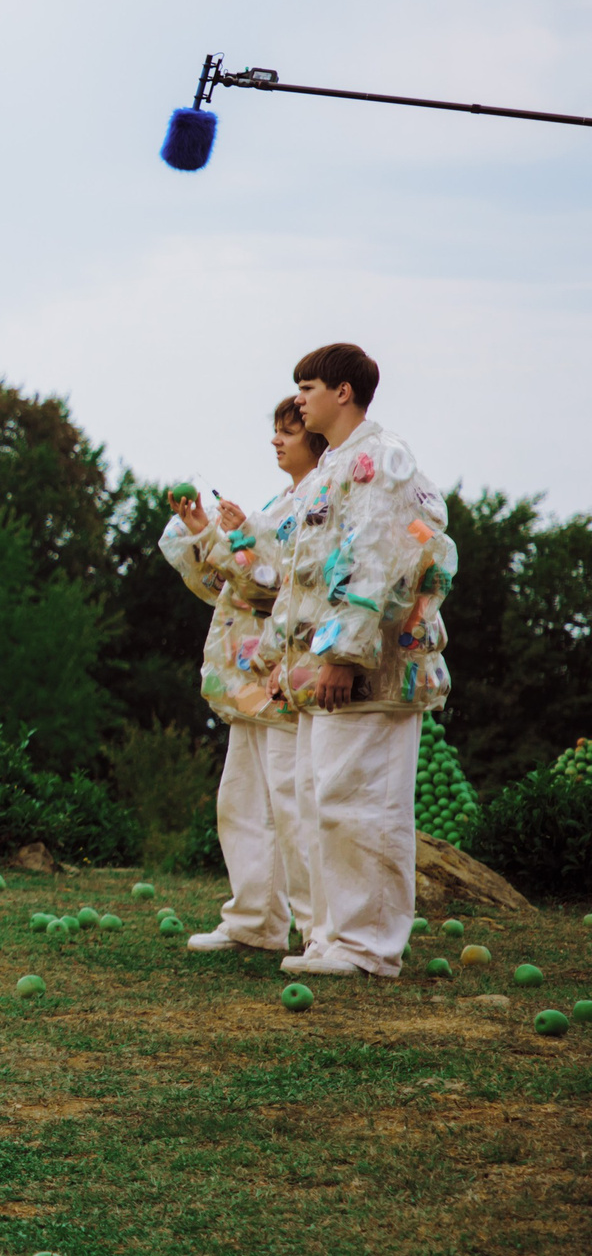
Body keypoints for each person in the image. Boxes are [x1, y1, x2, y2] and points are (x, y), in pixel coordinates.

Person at [264, 343, 454, 979]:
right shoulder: (331, 468)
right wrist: (292, 658)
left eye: (309, 387)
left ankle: (369, 947)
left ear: (344, 392)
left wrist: (344, 656)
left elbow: (375, 557)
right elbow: (309, 577)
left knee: (365, 803)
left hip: (372, 668)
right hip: (330, 671)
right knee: (326, 801)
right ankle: (332, 937)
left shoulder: (379, 459)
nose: (298, 399)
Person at [160, 396, 325, 955]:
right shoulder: (285, 499)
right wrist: (209, 532)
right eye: (276, 432)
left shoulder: (321, 499)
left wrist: (237, 539)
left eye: (289, 432)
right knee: (242, 801)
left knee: (290, 804)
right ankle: (255, 919)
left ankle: (316, 930)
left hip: (283, 675)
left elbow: (279, 582)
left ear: (317, 436)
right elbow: (238, 580)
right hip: (250, 679)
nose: (277, 441)